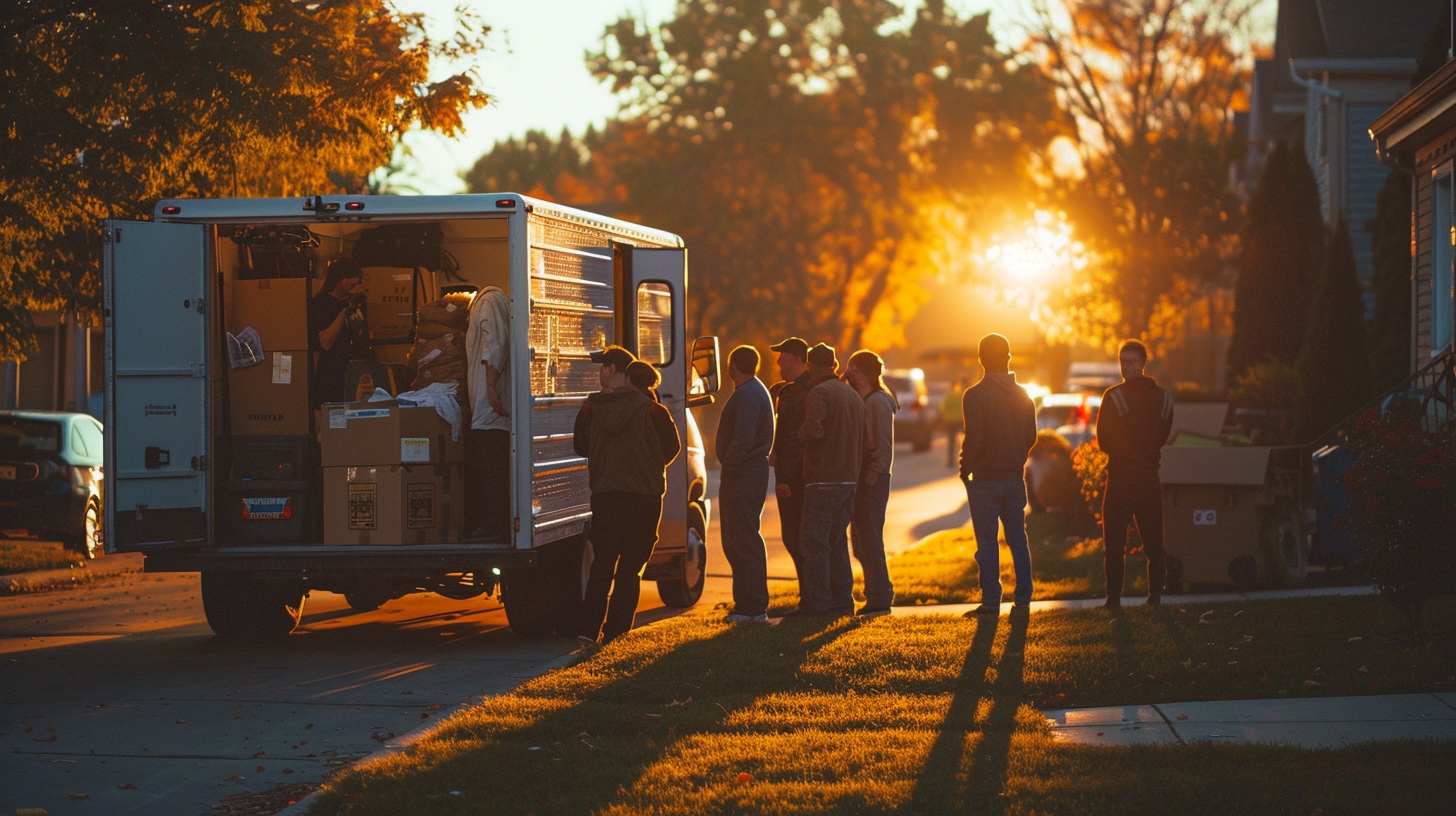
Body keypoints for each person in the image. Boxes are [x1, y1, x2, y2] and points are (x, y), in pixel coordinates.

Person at [573, 345, 681, 647]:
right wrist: (646, 465)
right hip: (644, 499)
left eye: (602, 367)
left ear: (612, 371)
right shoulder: (653, 410)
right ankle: (616, 634)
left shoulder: (590, 408)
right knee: (631, 570)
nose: (599, 372)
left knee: (602, 565)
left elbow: (579, 446)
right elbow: (672, 449)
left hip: (606, 497)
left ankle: (587, 631)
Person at [960, 333, 1038, 616]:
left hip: (984, 479)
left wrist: (965, 466)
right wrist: (1016, 457)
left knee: (987, 544)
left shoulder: (975, 395)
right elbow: (1031, 436)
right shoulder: (1024, 395)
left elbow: (975, 439)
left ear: (981, 360)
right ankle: (1024, 598)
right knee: (1018, 539)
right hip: (1014, 477)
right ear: (1008, 358)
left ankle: (992, 601)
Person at [1096, 339, 1174, 608]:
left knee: (1115, 546)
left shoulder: (1112, 397)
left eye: (1131, 361)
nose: (1126, 367)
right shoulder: (1165, 399)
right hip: (1149, 477)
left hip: (1119, 479)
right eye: (1123, 361)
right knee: (1155, 544)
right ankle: (1155, 597)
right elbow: (1163, 436)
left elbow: (1102, 440)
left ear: (1143, 363)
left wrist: (1124, 449)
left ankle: (1113, 599)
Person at [794, 343, 864, 617]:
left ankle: (817, 602)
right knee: (837, 542)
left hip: (823, 479)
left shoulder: (819, 392)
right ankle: (842, 600)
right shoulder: (853, 395)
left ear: (813, 366)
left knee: (814, 542)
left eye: (809, 367)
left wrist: (799, 433)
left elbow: (813, 430)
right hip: (849, 480)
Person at [715, 345, 775, 623]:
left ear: (733, 366)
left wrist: (729, 465)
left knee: (743, 538)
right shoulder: (754, 390)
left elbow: (743, 439)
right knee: (740, 537)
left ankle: (751, 607)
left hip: (744, 474)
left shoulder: (748, 395)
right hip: (748, 472)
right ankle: (747, 603)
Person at [846, 350, 897, 618]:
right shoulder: (863, 398)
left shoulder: (877, 401)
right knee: (860, 539)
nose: (847, 372)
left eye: (851, 368)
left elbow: (882, 450)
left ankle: (880, 595)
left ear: (861, 372)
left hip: (874, 480)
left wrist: (868, 480)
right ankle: (874, 593)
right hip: (863, 479)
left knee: (870, 538)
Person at [768, 337, 817, 581]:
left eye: (783, 355)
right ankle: (811, 593)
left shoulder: (798, 394)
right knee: (800, 538)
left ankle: (810, 595)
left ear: (797, 359)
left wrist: (785, 479)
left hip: (796, 478)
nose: (778, 360)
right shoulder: (799, 388)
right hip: (806, 475)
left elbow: (793, 439)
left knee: (795, 536)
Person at [465, 286, 511, 542]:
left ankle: (494, 525)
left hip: (489, 407)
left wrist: (491, 388)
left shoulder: (488, 301)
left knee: (490, 466)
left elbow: (496, 342)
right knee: (494, 466)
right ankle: (496, 523)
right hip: (491, 407)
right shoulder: (497, 302)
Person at [308, 257, 365, 407]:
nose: (354, 287)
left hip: (345, 376)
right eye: (352, 284)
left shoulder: (342, 303)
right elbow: (325, 341)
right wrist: (345, 308)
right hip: (329, 378)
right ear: (342, 280)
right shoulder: (323, 303)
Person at [941, 379, 965, 469]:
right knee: (966, 442)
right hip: (962, 420)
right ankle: (965, 460)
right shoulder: (963, 394)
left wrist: (946, 418)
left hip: (951, 420)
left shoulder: (949, 396)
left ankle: (951, 461)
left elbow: (943, 408)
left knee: (951, 442)